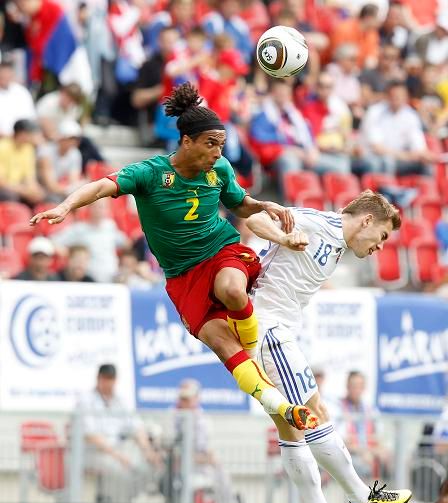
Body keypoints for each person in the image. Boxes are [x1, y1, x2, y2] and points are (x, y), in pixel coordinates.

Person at [30, 81, 314, 435]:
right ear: (186, 141)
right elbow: (103, 185)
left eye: (221, 145)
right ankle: (282, 406)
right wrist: (66, 205)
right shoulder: (151, 173)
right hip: (182, 277)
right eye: (210, 144)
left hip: (220, 250)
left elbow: (238, 203)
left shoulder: (220, 169)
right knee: (221, 343)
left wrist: (262, 204)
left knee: (232, 290)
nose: (217, 152)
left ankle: (254, 349)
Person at [246, 191, 412, 503]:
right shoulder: (317, 222)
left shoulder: (337, 246)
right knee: (314, 409)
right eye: (382, 236)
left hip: (273, 329)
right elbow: (254, 220)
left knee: (291, 427)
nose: (382, 246)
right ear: (367, 221)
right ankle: (361, 497)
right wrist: (284, 237)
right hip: (268, 329)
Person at [76, 363, 164, 503]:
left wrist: (148, 452)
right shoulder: (86, 400)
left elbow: (137, 428)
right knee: (122, 471)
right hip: (93, 453)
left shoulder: (120, 400)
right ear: (98, 378)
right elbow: (91, 436)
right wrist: (119, 456)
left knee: (151, 466)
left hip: (117, 451)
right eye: (105, 378)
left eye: (111, 379)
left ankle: (124, 501)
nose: (108, 382)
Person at [174, 378, 238, 503]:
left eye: (188, 398)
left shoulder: (202, 421)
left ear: (197, 398)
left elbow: (205, 451)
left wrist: (208, 459)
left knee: (221, 474)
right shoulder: (173, 417)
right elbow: (172, 452)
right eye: (182, 398)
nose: (184, 402)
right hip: (178, 469)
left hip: (200, 468)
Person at [337, 370, 391, 481]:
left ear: (364, 388)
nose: (356, 390)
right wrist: (363, 451)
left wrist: (379, 450)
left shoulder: (370, 409)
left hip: (368, 453)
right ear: (347, 387)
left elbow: (378, 437)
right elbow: (342, 441)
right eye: (353, 386)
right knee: (362, 465)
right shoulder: (339, 408)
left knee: (392, 460)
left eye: (360, 386)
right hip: (350, 455)